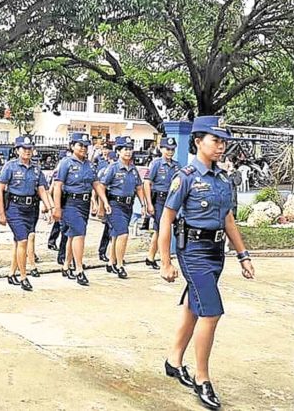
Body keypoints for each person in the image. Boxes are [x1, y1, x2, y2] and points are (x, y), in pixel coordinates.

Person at [158, 116, 255, 410]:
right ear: (198, 141)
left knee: (194, 306)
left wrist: (243, 255)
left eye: (223, 141)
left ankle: (173, 361)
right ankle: (203, 378)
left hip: (215, 253)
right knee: (211, 313)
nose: (220, 146)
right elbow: (167, 219)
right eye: (215, 140)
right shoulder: (185, 176)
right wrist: (165, 260)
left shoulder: (224, 179)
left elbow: (228, 220)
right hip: (194, 251)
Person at [0, 136, 53, 291]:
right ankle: (23, 276)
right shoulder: (10, 166)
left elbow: (42, 189)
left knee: (19, 242)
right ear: (17, 150)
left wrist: (49, 207)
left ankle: (12, 273)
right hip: (14, 208)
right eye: (24, 148)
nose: (27, 151)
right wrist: (1, 213)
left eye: (29, 148)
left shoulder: (36, 169)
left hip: (30, 209)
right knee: (23, 241)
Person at [53, 133, 110, 286]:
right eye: (80, 145)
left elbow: (96, 184)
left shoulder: (90, 164)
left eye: (86, 146)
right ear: (72, 146)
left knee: (73, 236)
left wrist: (104, 201)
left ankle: (66, 265)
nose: (84, 148)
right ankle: (79, 269)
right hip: (70, 203)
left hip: (84, 204)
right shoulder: (66, 163)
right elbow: (58, 185)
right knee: (79, 234)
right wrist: (56, 207)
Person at [100, 136, 147, 279]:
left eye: (130, 149)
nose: (128, 152)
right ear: (118, 151)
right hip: (115, 204)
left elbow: (139, 187)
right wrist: (104, 203)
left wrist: (143, 204)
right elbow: (101, 186)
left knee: (116, 235)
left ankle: (111, 262)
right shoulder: (113, 168)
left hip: (128, 205)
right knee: (123, 234)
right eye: (125, 149)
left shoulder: (133, 169)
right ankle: (120, 265)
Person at [143, 137, 180, 270]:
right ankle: (161, 258)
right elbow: (147, 182)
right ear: (161, 149)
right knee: (162, 229)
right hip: (158, 199)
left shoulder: (176, 165)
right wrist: (149, 204)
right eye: (167, 149)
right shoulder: (156, 164)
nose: (170, 152)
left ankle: (150, 257)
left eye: (172, 149)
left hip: (171, 201)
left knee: (160, 231)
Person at [96, 149, 116, 262]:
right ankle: (102, 251)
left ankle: (114, 254)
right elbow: (99, 188)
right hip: (108, 197)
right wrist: (100, 207)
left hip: (118, 200)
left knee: (114, 228)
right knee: (109, 228)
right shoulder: (106, 169)